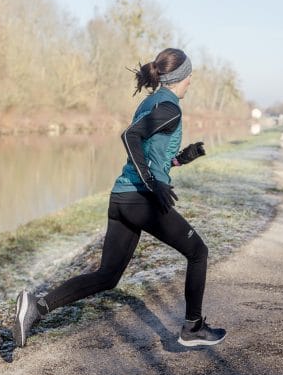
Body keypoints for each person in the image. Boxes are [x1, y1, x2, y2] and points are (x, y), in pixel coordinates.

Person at [12, 48, 226, 348]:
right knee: (198, 252)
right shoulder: (170, 107)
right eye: (189, 75)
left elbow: (150, 152)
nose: (191, 80)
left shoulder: (152, 101)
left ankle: (36, 307)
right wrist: (152, 183)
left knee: (108, 276)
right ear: (180, 77)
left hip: (123, 198)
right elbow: (130, 137)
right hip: (142, 200)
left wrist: (180, 160)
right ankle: (193, 327)